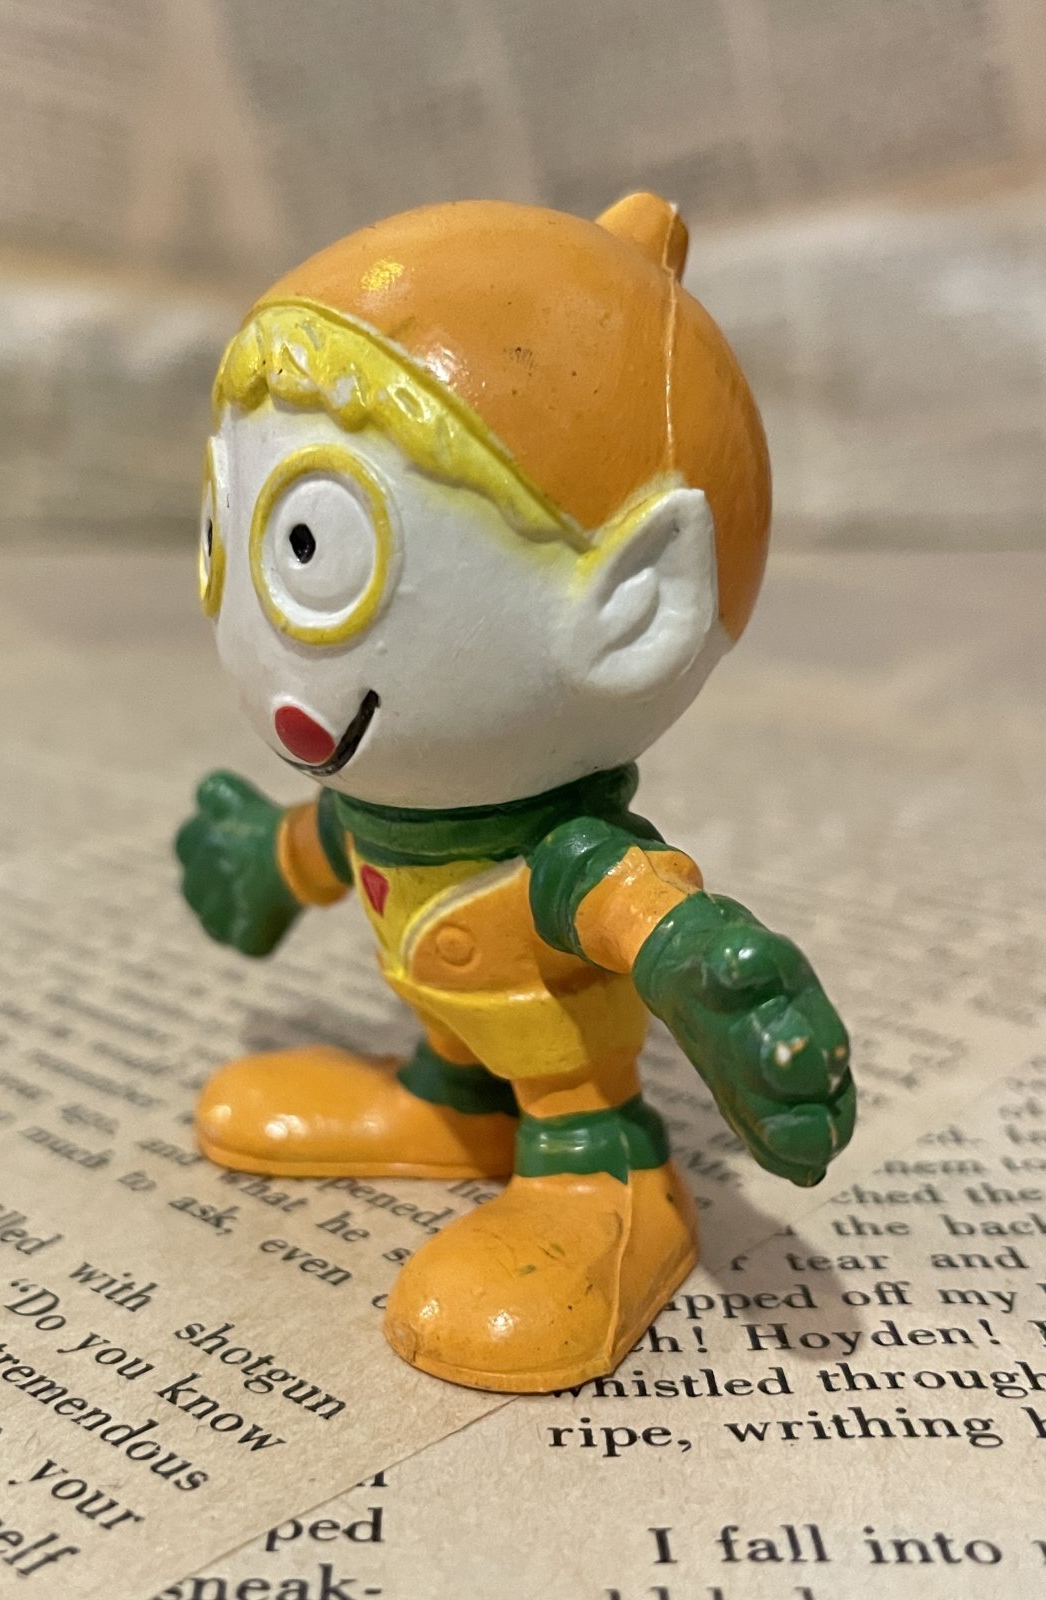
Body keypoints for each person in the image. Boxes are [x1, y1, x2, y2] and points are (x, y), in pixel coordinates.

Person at [177, 193, 854, 1392]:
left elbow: (653, 922)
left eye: (311, 547)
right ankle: (454, 1102)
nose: (248, 630)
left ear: (636, 606)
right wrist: (266, 862)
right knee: (434, 1043)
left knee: (576, 1099)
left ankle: (606, 1173)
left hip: (580, 1104)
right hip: (454, 1039)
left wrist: (714, 989)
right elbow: (329, 845)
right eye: (227, 532)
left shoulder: (567, 856)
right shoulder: (372, 808)